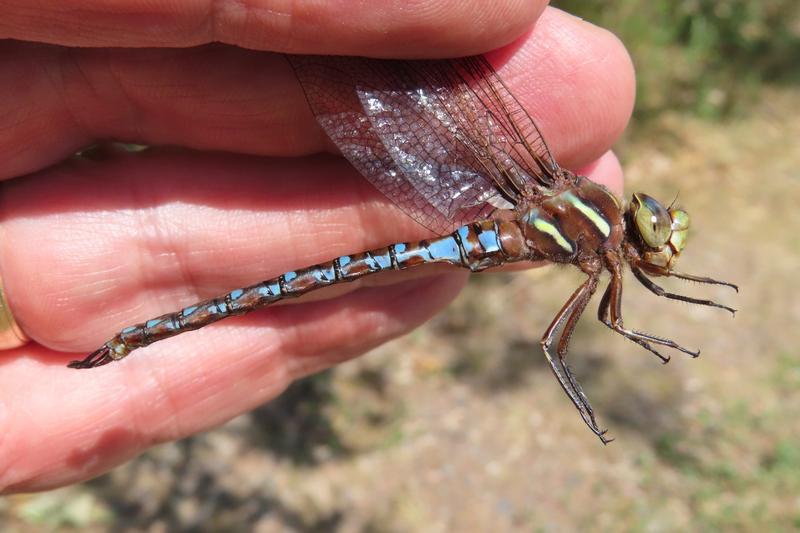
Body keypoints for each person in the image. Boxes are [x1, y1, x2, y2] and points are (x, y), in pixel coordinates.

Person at [0, 0, 634, 492]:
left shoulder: (585, 233)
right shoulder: (583, 226)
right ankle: (129, 338)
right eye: (650, 229)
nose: (651, 239)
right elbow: (559, 338)